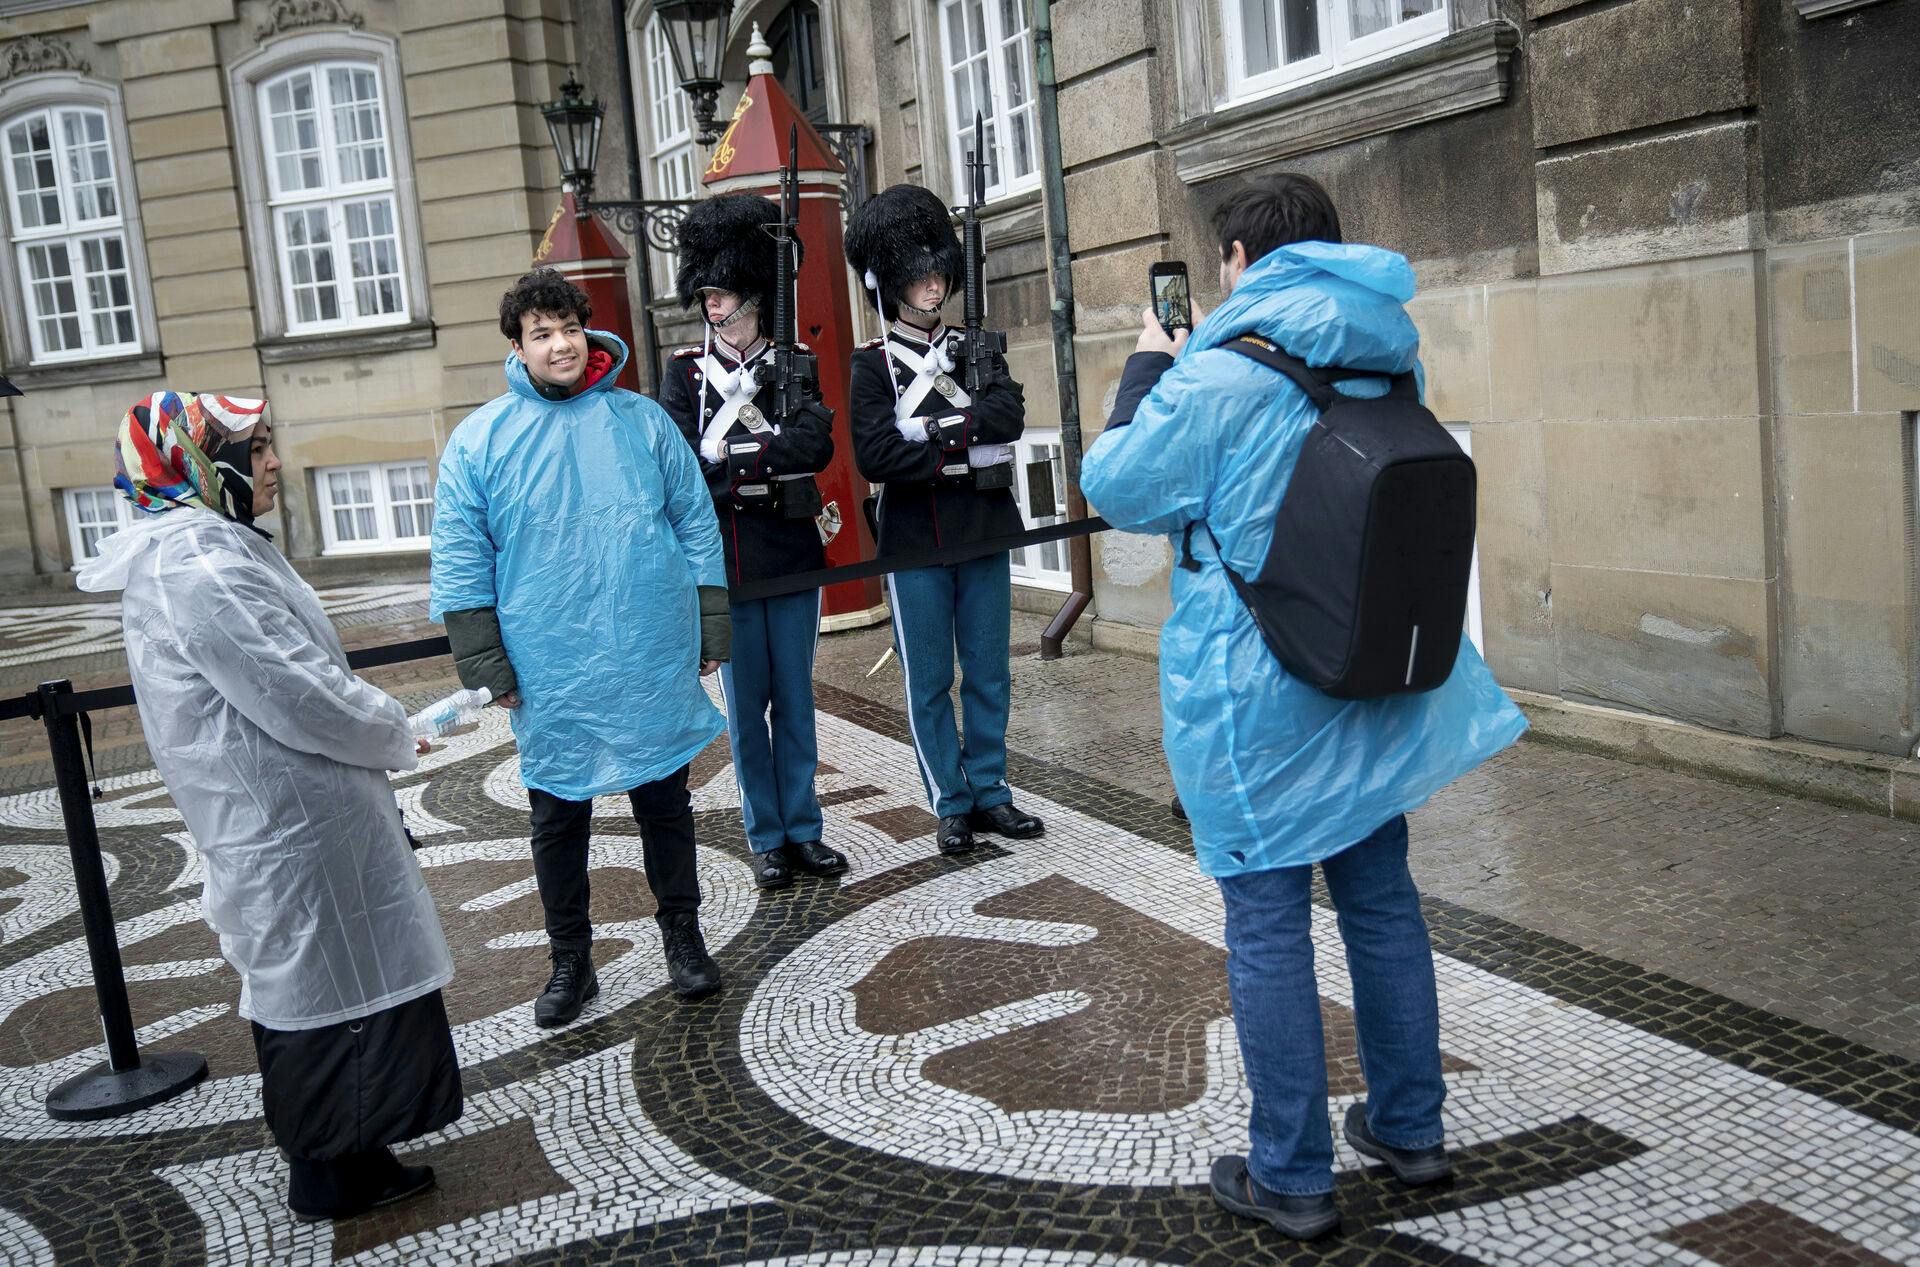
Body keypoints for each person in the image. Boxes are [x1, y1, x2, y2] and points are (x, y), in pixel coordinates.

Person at [1081, 176, 1529, 1242]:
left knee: (1268, 917)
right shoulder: (1388, 350)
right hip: (1364, 667)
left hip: (1258, 691)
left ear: (1239, 259)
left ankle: (1290, 1172)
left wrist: (1149, 363)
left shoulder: (1222, 370)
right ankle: (1411, 1129)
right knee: (1380, 898)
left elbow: (1117, 485)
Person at [77, 391, 460, 1223]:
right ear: (201, 465)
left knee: (337, 980)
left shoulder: (202, 548)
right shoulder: (198, 563)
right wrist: (391, 726)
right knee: (325, 990)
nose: (276, 462)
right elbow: (294, 689)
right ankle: (330, 1171)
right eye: (256, 450)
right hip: (288, 823)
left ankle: (357, 1150)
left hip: (293, 815)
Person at [431, 269, 728, 1027]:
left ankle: (683, 937)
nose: (560, 344)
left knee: (664, 801)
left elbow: (695, 521)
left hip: (647, 644)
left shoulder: (643, 422)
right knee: (558, 816)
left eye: (569, 327)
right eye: (542, 333)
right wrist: (484, 661)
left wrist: (710, 622)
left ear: (587, 330)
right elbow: (462, 554)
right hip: (549, 659)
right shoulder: (480, 440)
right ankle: (571, 959)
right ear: (517, 346)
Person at [845, 183, 1046, 857]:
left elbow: (1009, 416)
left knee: (989, 671)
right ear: (890, 281)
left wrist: (930, 435)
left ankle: (991, 788)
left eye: (937, 271)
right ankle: (950, 800)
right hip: (912, 538)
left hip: (983, 526)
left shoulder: (974, 345)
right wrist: (960, 438)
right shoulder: (872, 364)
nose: (932, 284)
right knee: (929, 680)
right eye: (917, 274)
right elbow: (876, 454)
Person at [658, 193, 845, 891]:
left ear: (752, 295)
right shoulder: (686, 373)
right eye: (706, 291)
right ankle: (765, 836)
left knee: (795, 700)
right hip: (729, 559)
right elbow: (682, 467)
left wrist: (734, 462)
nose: (711, 301)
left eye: (722, 290)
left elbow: (815, 446)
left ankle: (804, 828)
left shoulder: (795, 362)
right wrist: (762, 461)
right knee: (746, 710)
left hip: (791, 551)